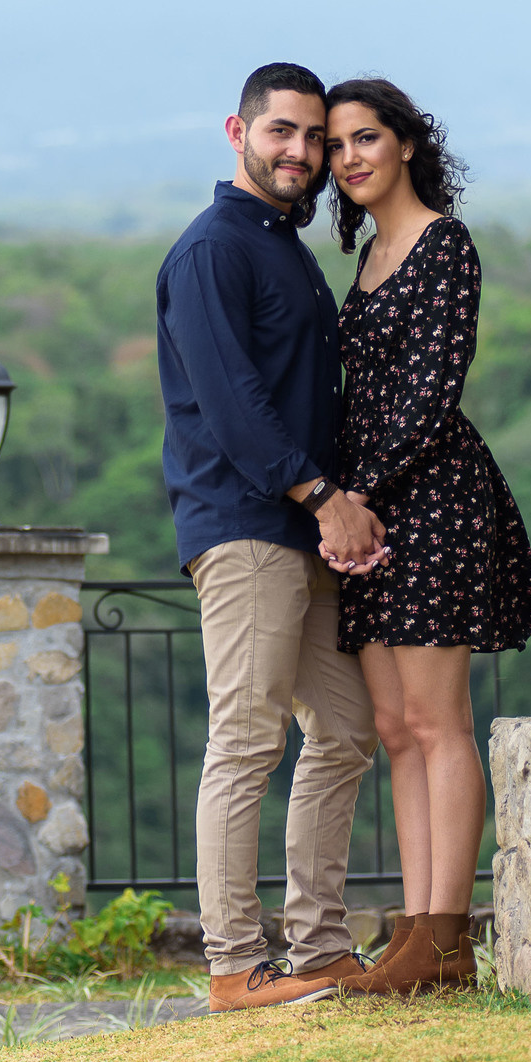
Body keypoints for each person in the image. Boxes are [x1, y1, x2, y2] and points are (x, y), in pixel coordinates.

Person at [156, 61, 390, 1012]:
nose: (301, 153)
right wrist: (325, 495)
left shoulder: (283, 245)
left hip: (302, 532)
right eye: (282, 132)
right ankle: (232, 965)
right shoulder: (214, 248)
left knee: (343, 728)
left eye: (316, 140)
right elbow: (234, 403)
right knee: (247, 741)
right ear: (237, 131)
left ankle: (320, 947)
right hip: (249, 527)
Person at [318, 76, 531, 995]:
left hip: (435, 500)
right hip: (368, 514)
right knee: (392, 726)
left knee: (440, 721)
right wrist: (339, 504)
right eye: (336, 147)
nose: (349, 159)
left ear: (407, 142)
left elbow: (430, 393)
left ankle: (448, 936)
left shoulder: (444, 244)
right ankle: (418, 933)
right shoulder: (368, 253)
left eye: (366, 139)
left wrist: (355, 496)